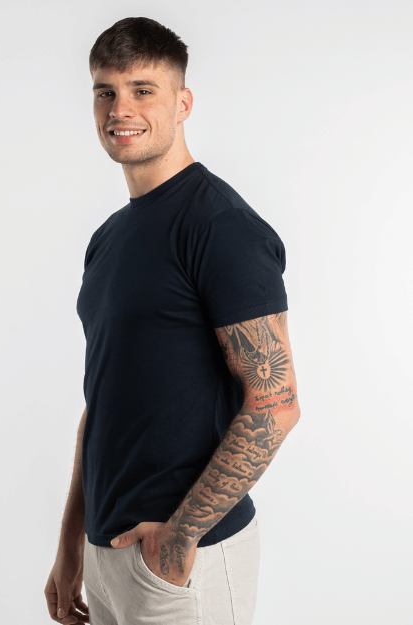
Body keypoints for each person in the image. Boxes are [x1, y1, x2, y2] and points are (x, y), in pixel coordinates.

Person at [44, 16, 301, 625]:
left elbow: (275, 403)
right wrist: (72, 544)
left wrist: (180, 539)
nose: (120, 109)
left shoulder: (220, 227)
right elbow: (103, 402)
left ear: (182, 103)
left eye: (143, 90)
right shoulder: (109, 238)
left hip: (184, 560)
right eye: (105, 92)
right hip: (111, 553)